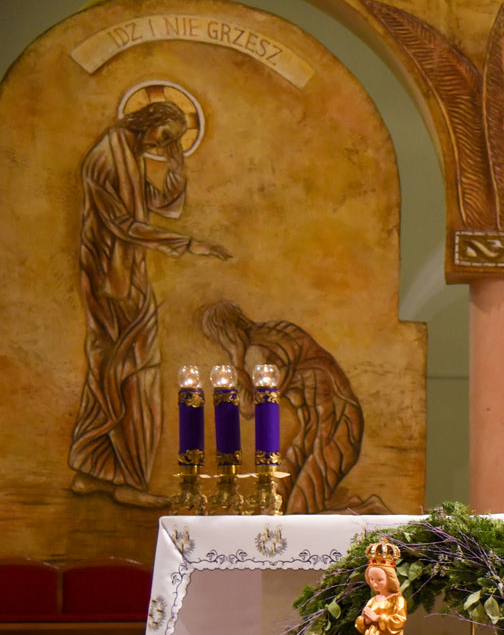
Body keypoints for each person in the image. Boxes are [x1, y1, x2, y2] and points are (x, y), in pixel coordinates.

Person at [70, 100, 232, 507]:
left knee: (109, 370)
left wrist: (176, 165)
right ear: (150, 120)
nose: (164, 144)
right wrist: (189, 245)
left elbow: (164, 207)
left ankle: (94, 468)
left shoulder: (127, 154)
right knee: (138, 371)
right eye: (166, 136)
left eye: (174, 140)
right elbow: (123, 225)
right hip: (114, 281)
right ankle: (130, 481)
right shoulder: (107, 158)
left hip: (120, 276)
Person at [202, 301, 378, 514]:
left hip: (338, 425)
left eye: (219, 339)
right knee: (276, 503)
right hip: (314, 428)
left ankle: (371, 512)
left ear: (226, 333)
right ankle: (363, 508)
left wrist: (236, 359)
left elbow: (250, 408)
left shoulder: (260, 351)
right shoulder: (275, 331)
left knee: (298, 511)